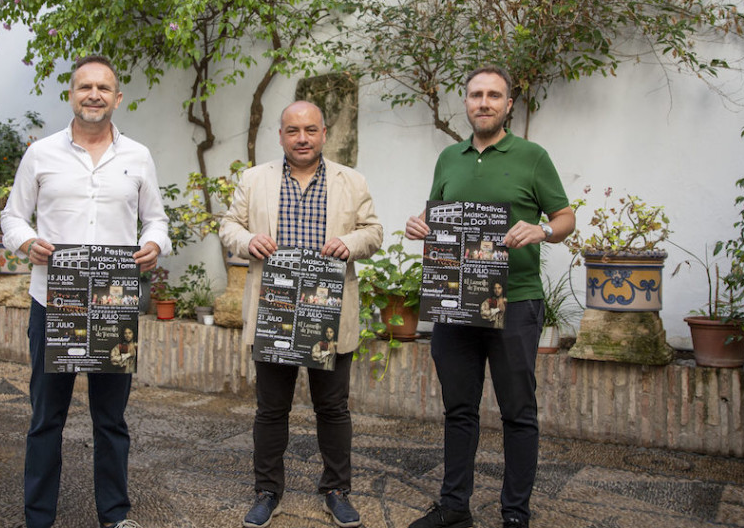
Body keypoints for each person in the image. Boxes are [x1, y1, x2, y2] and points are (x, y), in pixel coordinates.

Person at [1, 54, 170, 528]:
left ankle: (115, 515)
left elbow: (156, 217)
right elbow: (13, 216)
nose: (93, 94)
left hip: (113, 307)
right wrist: (27, 241)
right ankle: (39, 518)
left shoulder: (137, 156)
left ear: (118, 98)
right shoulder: (41, 154)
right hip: (54, 303)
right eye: (84, 87)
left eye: (103, 87)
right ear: (71, 95)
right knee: (45, 419)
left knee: (111, 420)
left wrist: (154, 242)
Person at [404, 66, 575, 528]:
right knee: (459, 409)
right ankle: (454, 506)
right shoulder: (449, 158)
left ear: (508, 104)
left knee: (518, 412)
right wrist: (418, 223)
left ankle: (515, 513)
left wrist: (540, 229)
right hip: (455, 300)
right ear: (465, 102)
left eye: (493, 95)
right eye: (476, 94)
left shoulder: (532, 157)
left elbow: (565, 218)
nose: (484, 102)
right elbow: (437, 213)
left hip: (515, 302)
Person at [220, 101, 383, 528]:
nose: (302, 138)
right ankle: (267, 491)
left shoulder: (352, 180)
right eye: (293, 130)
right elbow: (228, 226)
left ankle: (336, 489)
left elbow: (374, 230)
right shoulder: (255, 180)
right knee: (271, 409)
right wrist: (246, 239)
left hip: (328, 311)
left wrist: (351, 243)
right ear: (281, 135)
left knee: (332, 408)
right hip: (275, 308)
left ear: (324, 133)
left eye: (310, 130)